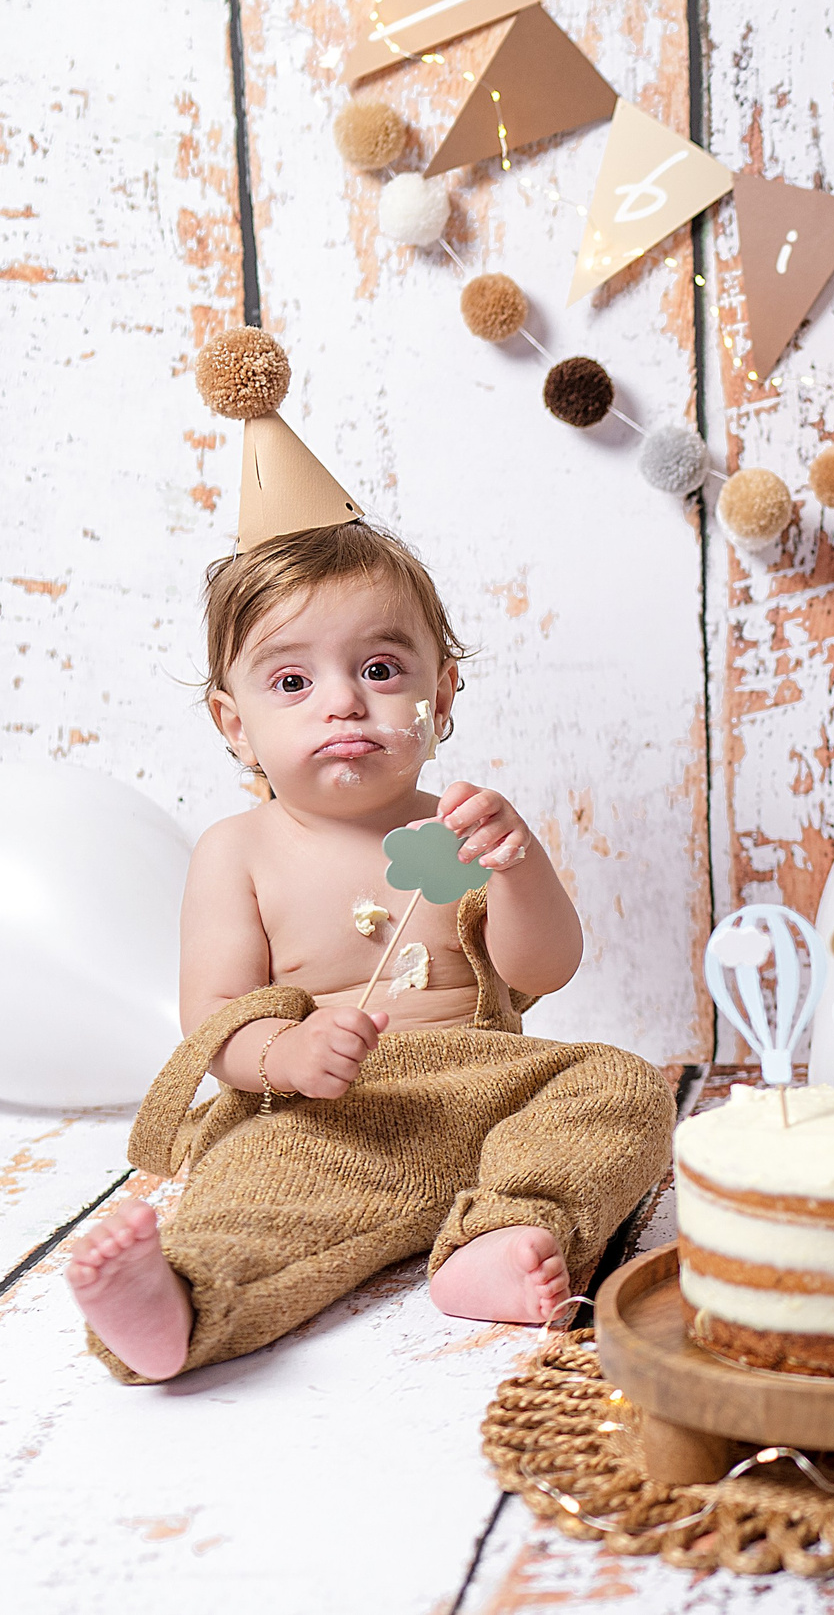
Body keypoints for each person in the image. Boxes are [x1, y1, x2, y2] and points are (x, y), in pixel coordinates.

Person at [64, 519, 675, 1382]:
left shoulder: (461, 830)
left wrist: (518, 866)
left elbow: (543, 971)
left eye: (381, 670)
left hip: (488, 1097)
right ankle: (182, 1302)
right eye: (292, 681)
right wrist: (287, 1053)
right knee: (250, 1192)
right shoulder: (238, 851)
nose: (344, 701)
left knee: (619, 1085)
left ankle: (503, 1231)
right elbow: (213, 1021)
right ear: (235, 724)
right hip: (327, 1122)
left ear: (443, 696)